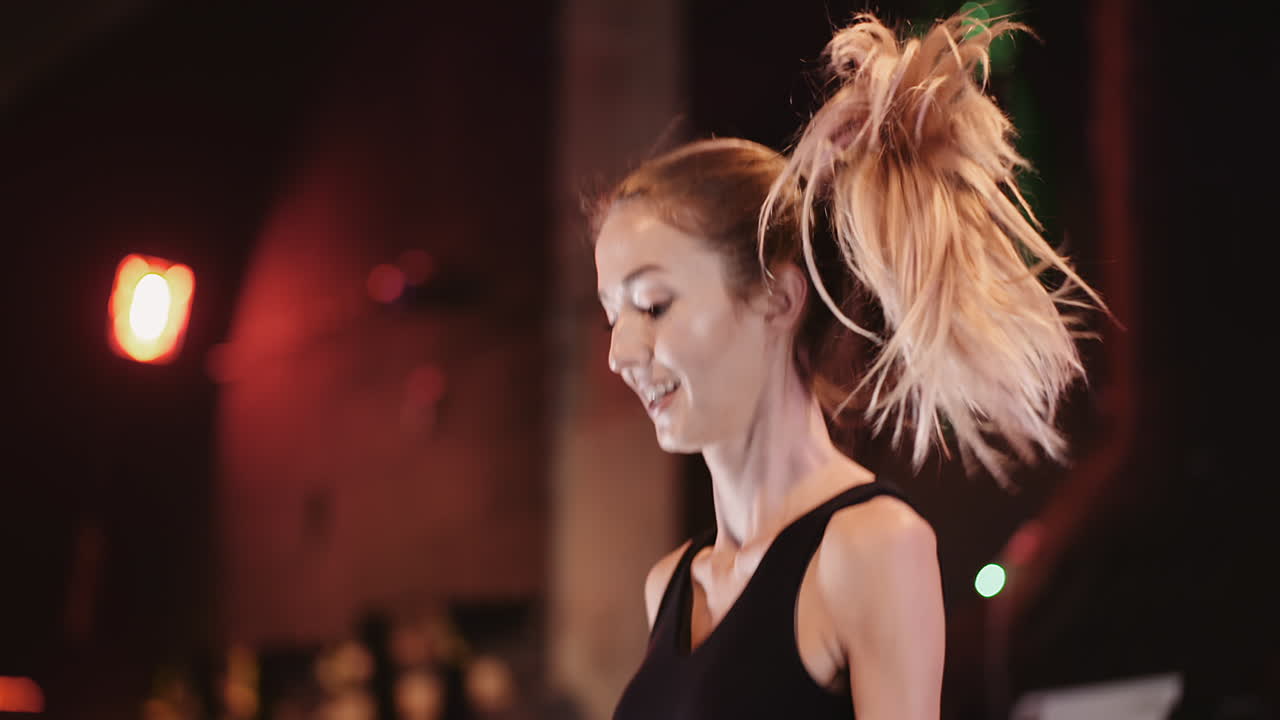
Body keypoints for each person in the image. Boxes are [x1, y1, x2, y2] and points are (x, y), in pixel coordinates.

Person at [595, 9, 1101, 720]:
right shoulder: (671, 585)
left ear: (776, 299)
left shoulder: (872, 547)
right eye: (611, 313)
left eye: (652, 305)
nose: (620, 353)